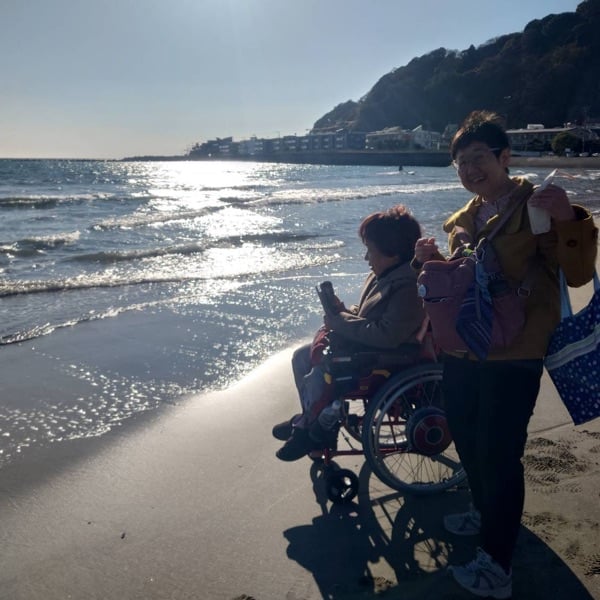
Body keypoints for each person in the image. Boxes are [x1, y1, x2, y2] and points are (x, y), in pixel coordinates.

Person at [413, 110, 598, 599]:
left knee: (499, 453)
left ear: (504, 157)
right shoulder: (463, 219)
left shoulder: (535, 207)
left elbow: (578, 274)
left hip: (515, 350)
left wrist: (567, 219)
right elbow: (461, 281)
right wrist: (427, 261)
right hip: (463, 347)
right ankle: (482, 510)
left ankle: (497, 566)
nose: (470, 170)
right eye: (461, 162)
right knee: (467, 438)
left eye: (479, 158)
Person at [274, 204, 426, 461]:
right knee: (301, 356)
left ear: (393, 253)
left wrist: (340, 322)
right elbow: (368, 313)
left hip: (388, 357)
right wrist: (343, 311)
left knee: (322, 368)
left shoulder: (409, 286)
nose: (367, 258)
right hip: (369, 347)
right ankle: (312, 419)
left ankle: (310, 428)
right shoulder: (382, 275)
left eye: (371, 251)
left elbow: (387, 335)